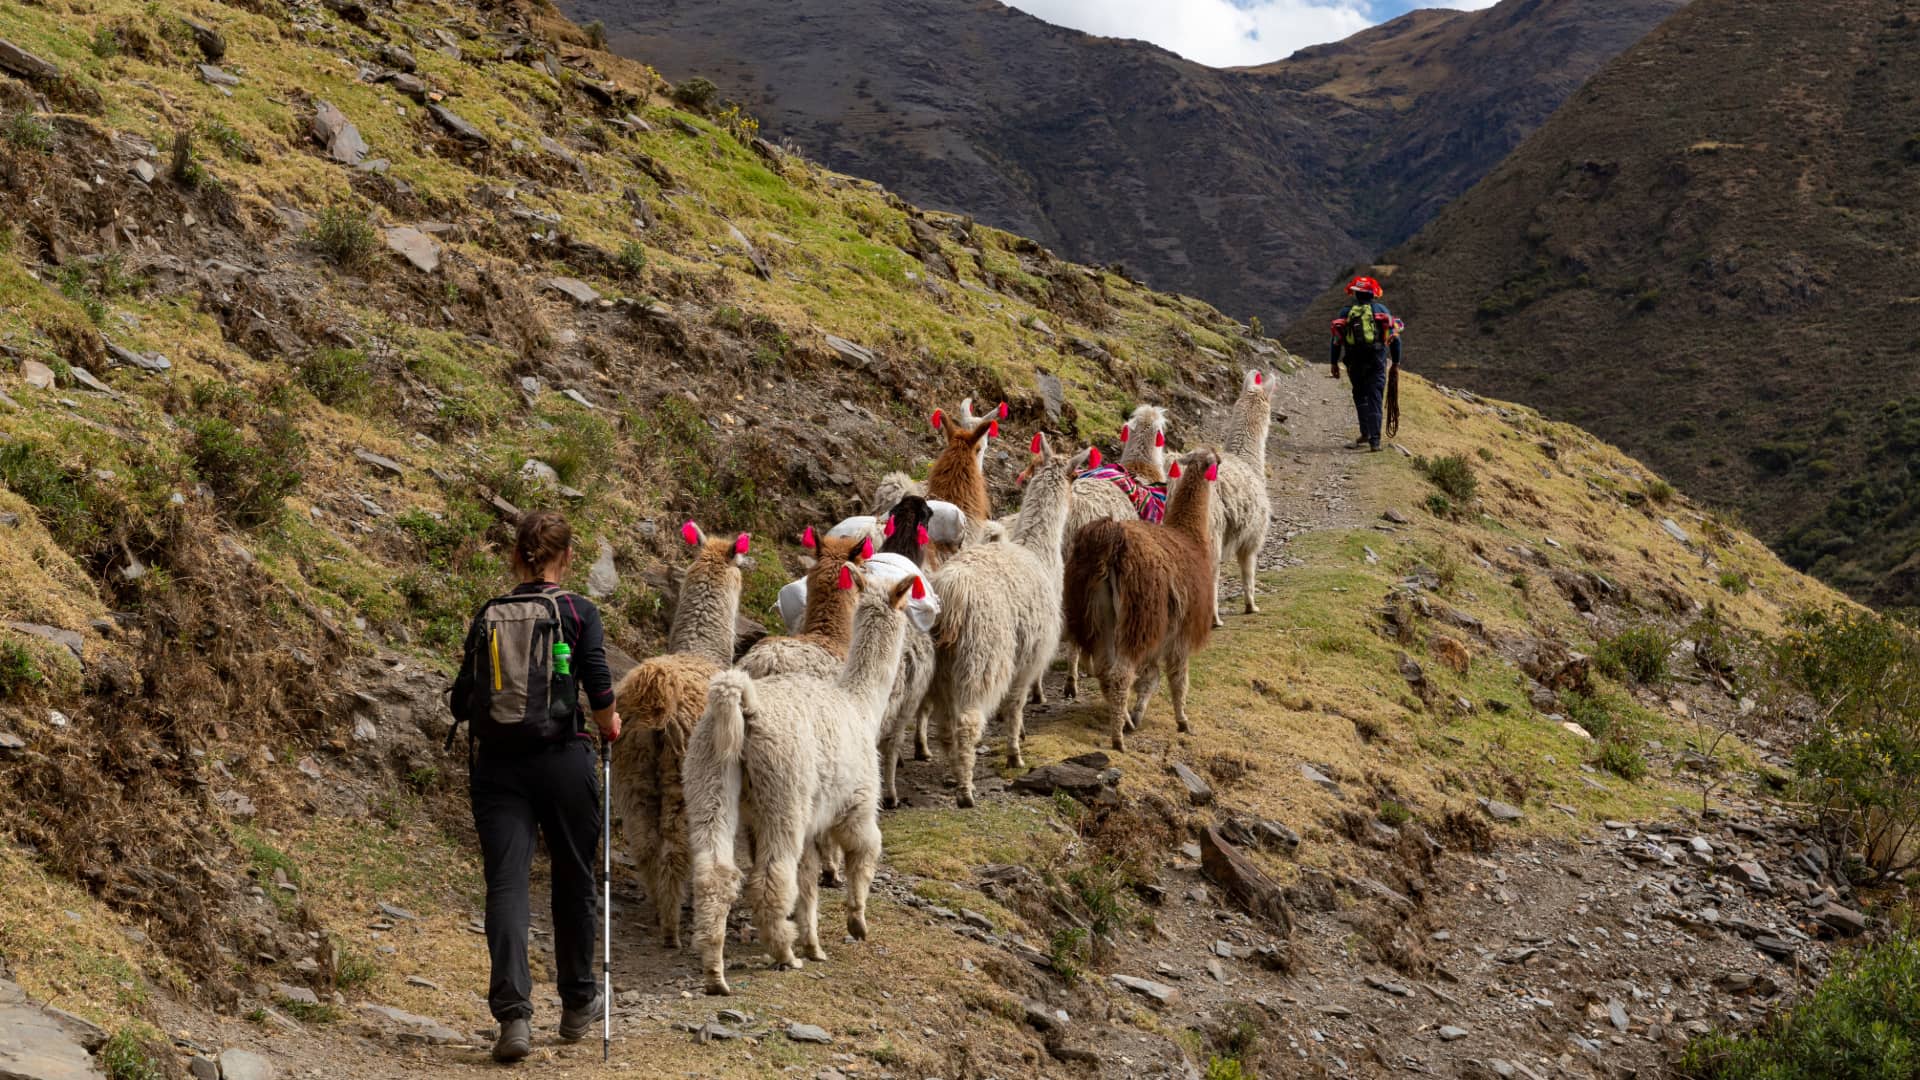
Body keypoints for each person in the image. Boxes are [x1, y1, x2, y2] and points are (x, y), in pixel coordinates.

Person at [449, 510, 620, 1063]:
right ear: (566, 558)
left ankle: (514, 1019)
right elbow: (599, 691)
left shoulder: (489, 614)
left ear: (517, 556)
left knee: (506, 886)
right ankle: (576, 1006)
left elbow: (459, 700)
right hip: (565, 761)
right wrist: (611, 724)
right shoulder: (577, 610)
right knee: (573, 877)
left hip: (499, 766)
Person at [1327, 276, 1397, 452]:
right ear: (1373, 293)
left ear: (1355, 293)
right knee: (1375, 397)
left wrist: (1334, 362)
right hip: (1376, 360)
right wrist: (1395, 362)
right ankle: (1375, 441)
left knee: (1360, 395)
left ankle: (1365, 433)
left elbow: (1336, 340)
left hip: (1354, 361)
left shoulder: (1345, 312)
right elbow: (1395, 339)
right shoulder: (1381, 310)